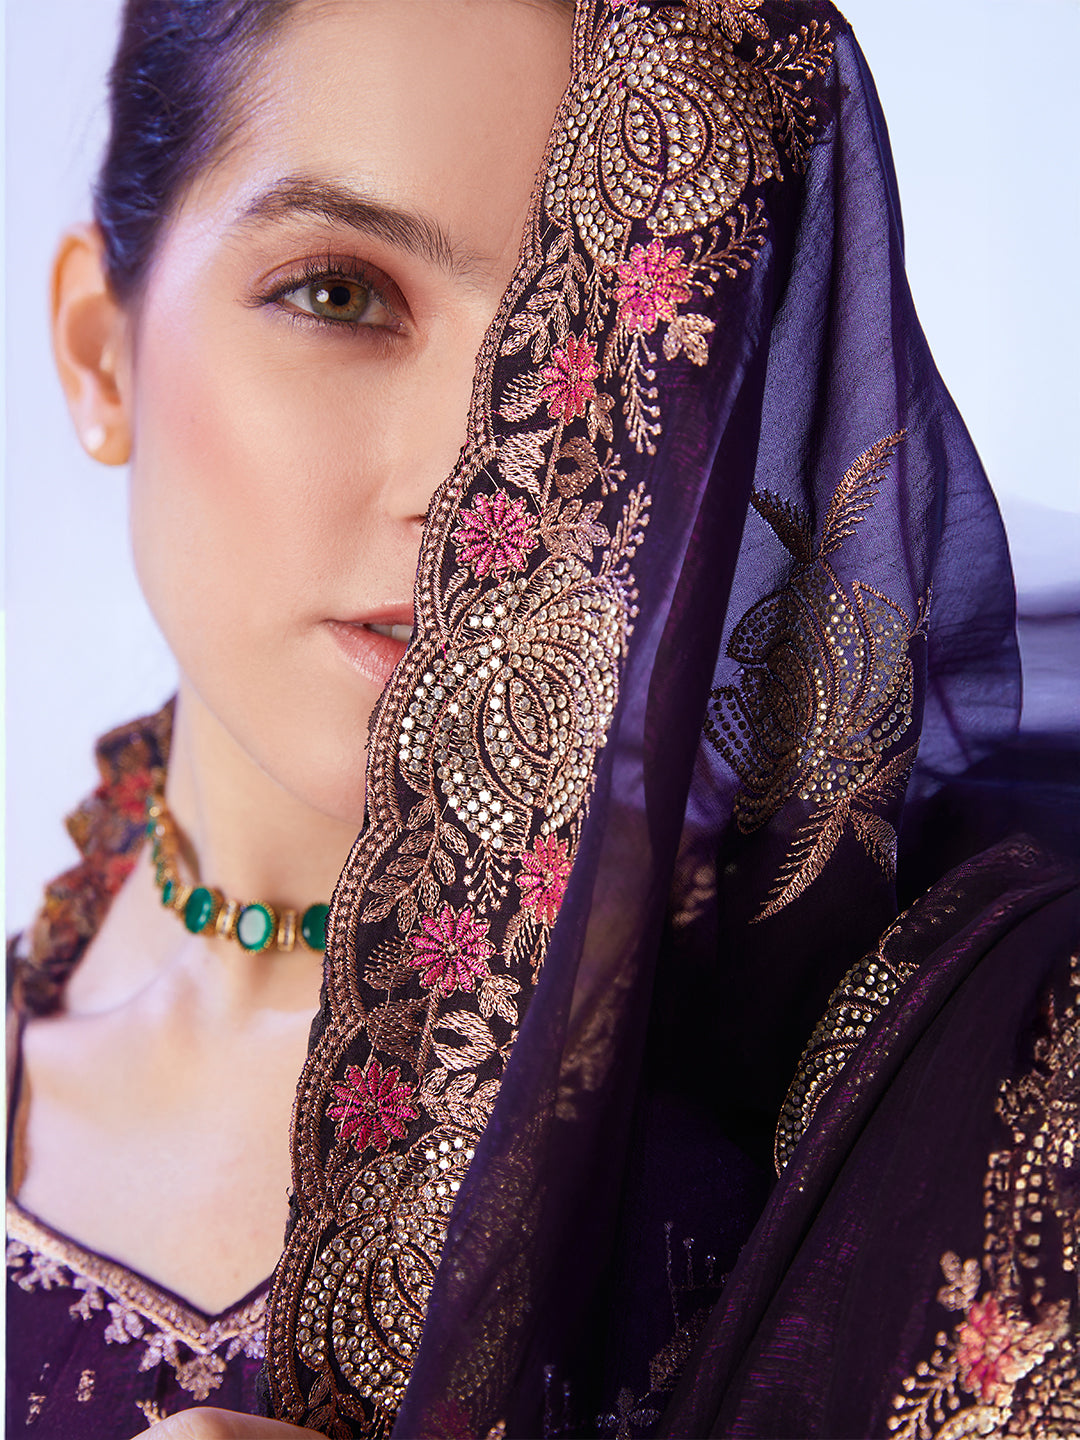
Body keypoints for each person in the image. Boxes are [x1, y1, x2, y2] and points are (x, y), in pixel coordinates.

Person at [8, 2, 1077, 1439]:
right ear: (100, 354)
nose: (479, 489)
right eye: (341, 294)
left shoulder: (939, 1083)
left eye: (609, 357)